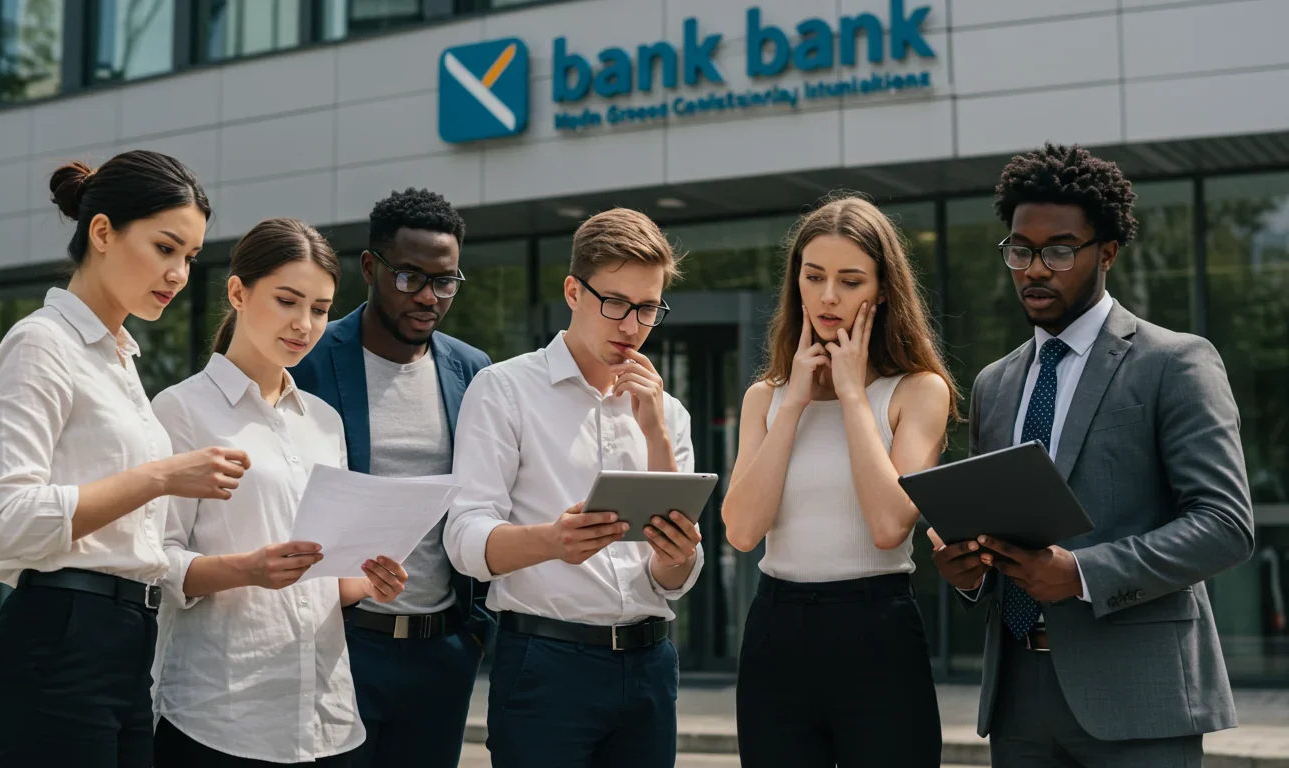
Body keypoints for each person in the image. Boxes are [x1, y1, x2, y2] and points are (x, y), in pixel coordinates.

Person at [929, 143, 1254, 766]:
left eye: (1058, 251)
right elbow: (1002, 530)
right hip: (1019, 698)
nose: (1035, 269)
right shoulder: (996, 385)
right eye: (1020, 251)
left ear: (1105, 252)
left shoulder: (1174, 362)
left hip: (1141, 697)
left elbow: (1224, 525)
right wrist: (968, 569)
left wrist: (1081, 575)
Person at [0, 151, 243, 767]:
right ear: (102, 232)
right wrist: (164, 477)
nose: (178, 274)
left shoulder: (119, 360)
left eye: (190, 258)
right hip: (57, 640)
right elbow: (3, 520)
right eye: (165, 248)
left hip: (126, 645)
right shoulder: (41, 344)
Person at [445, 207, 703, 768]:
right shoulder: (505, 390)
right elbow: (465, 540)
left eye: (647, 309)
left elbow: (676, 579)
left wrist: (654, 430)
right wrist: (551, 540)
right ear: (573, 291)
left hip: (651, 665)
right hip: (545, 663)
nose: (631, 326)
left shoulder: (670, 412)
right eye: (615, 303)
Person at [150, 218, 409, 766]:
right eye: (287, 301)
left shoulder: (323, 422)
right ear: (238, 292)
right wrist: (247, 569)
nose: (304, 324)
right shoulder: (180, 410)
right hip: (220, 716)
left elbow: (322, 579)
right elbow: (156, 564)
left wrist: (367, 582)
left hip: (327, 716)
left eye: (319, 308)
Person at [721, 196, 956, 766]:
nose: (828, 296)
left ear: (882, 290)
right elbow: (743, 531)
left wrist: (852, 393)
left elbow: (886, 524)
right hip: (777, 628)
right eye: (814, 276)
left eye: (850, 281)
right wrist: (795, 399)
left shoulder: (918, 391)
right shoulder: (766, 397)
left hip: (877, 627)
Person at [289, 189, 492, 768]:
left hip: (442, 650)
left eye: (445, 281)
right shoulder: (308, 361)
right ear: (371, 269)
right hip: (340, 642)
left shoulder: (473, 371)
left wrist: (472, 634)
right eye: (410, 278)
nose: (429, 297)